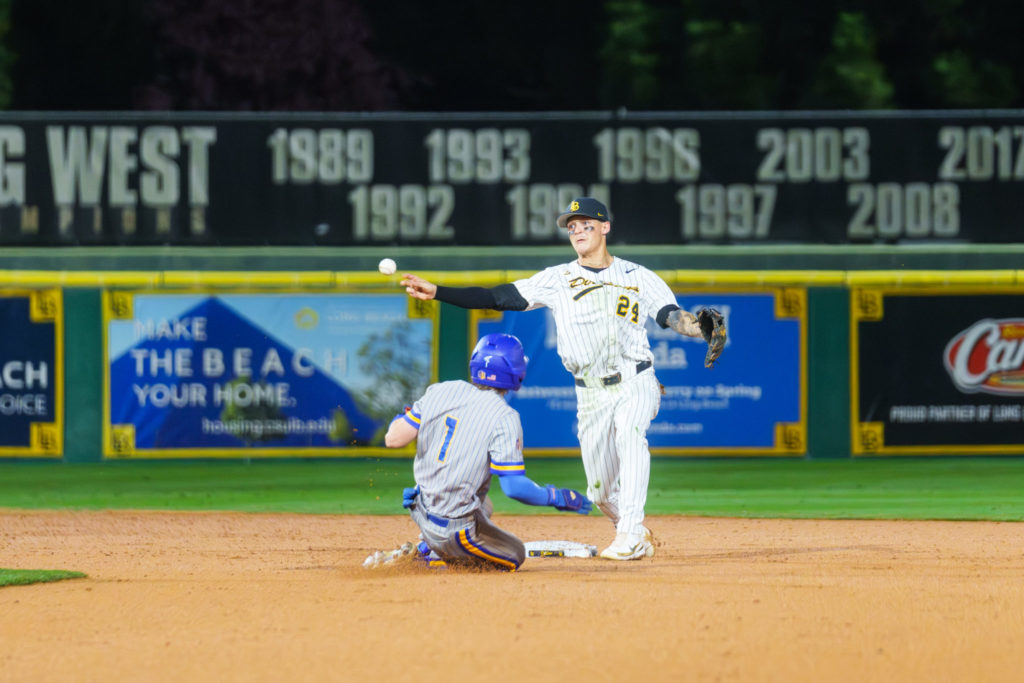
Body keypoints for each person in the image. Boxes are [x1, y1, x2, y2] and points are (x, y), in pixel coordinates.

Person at [401, 197, 718, 561]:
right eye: (572, 227)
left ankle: (630, 533)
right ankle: (634, 532)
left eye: (586, 224)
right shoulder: (557, 279)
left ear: (605, 227)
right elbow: (496, 297)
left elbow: (671, 316)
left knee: (631, 433)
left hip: (636, 377)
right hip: (590, 393)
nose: (578, 231)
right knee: (599, 492)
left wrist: (698, 329)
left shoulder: (639, 276)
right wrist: (439, 292)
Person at [383, 332, 592, 571]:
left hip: (420, 508)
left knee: (485, 504)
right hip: (453, 531)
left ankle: (425, 547)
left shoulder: (442, 390)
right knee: (514, 556)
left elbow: (394, 439)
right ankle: (434, 559)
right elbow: (514, 488)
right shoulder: (505, 416)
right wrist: (557, 497)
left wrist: (403, 416)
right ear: (516, 371)